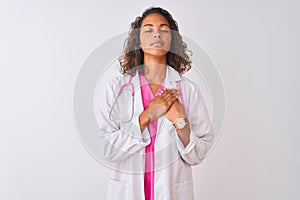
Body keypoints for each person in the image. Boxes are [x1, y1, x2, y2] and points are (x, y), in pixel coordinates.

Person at [98, 7, 214, 200]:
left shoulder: (188, 90)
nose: (157, 34)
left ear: (172, 39)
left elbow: (197, 155)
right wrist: (146, 116)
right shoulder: (117, 88)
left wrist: (180, 121)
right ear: (138, 40)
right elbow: (108, 150)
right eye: (148, 30)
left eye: (164, 29)